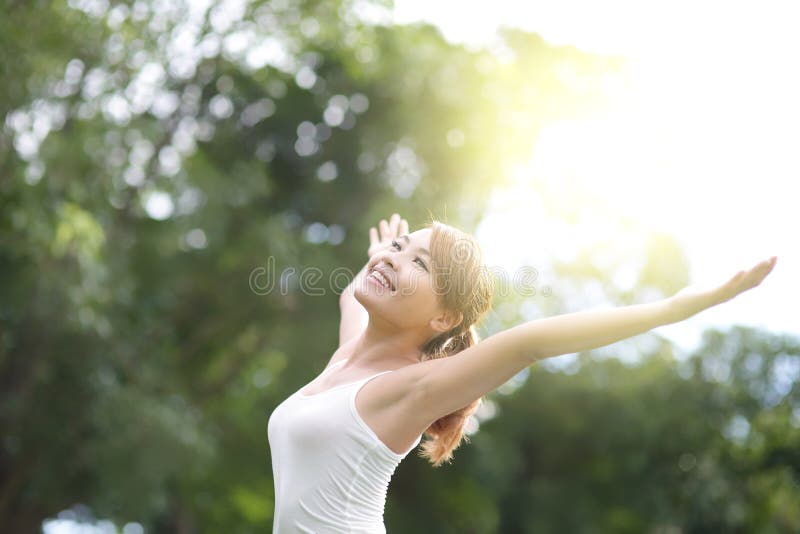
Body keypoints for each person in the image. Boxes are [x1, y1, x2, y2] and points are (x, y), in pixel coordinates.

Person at [267, 212, 777, 533]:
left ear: (444, 319)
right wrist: (391, 253)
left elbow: (532, 343)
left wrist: (672, 310)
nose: (394, 260)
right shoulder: (348, 358)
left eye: (421, 266)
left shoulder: (407, 389)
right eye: (399, 250)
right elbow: (347, 294)